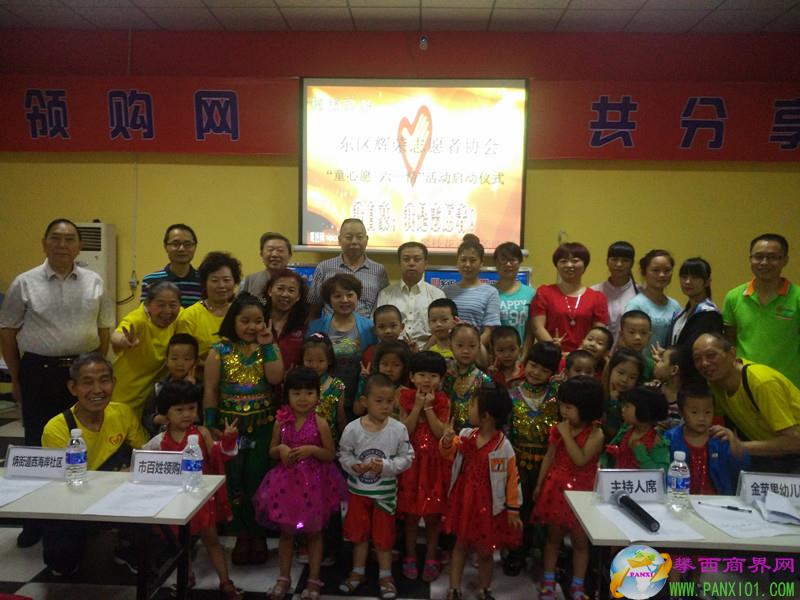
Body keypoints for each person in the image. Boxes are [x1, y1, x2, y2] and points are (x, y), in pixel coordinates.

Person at [0, 218, 114, 548]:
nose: (62, 244)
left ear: (80, 246)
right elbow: (7, 332)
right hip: (40, 372)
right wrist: (17, 376)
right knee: (37, 445)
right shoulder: (24, 283)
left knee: (81, 441)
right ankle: (35, 521)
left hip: (82, 372)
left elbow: (104, 329)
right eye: (56, 238)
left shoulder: (94, 281)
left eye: (69, 239)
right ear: (44, 243)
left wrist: (94, 374)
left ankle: (79, 515)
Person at [40, 353, 148, 576]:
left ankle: (124, 543)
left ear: (114, 383)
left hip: (118, 493)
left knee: (152, 546)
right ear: (73, 388)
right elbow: (60, 487)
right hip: (75, 499)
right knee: (61, 562)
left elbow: (146, 454)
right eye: (87, 382)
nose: (97, 390)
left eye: (104, 380)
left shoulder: (122, 413)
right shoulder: (57, 428)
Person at [203, 293, 284, 565]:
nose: (252, 327)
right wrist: (210, 424)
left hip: (263, 426)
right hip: (230, 429)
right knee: (234, 481)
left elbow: (276, 378)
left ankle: (259, 535)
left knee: (258, 480)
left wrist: (269, 345)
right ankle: (241, 535)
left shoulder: (269, 348)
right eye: (245, 321)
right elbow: (210, 389)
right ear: (233, 321)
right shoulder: (219, 350)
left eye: (258, 321)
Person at [143, 381, 241, 599]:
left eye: (191, 408)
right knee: (181, 544)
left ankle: (225, 581)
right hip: (176, 500)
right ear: (166, 413)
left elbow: (220, 455)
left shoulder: (202, 433)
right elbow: (144, 456)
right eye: (179, 410)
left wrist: (228, 439)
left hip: (202, 499)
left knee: (212, 540)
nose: (187, 414)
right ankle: (185, 577)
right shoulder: (160, 440)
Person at [254, 367, 346, 600]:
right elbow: (271, 451)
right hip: (286, 486)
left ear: (317, 395)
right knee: (287, 534)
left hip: (315, 486)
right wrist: (281, 449)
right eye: (296, 393)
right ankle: (283, 577)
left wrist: (313, 450)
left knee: (314, 533)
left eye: (309, 393)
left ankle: (313, 579)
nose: (303, 398)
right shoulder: (281, 422)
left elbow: (330, 454)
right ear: (287, 395)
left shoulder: (321, 423)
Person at [440, 383, 523, 600]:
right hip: (464, 501)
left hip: (489, 506)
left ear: (486, 416)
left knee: (486, 551)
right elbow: (448, 453)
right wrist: (447, 441)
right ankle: (454, 588)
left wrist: (513, 509)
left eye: (472, 405)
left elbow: (512, 479)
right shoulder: (466, 435)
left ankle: (484, 588)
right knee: (460, 545)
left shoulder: (503, 447)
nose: (468, 409)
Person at [338, 373, 415, 600]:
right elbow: (344, 453)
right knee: (359, 536)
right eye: (379, 401)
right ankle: (357, 572)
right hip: (358, 493)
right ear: (365, 401)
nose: (385, 406)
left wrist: (386, 466)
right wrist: (354, 466)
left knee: (384, 539)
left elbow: (407, 458)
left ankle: (385, 576)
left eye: (389, 401)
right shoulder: (353, 429)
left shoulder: (398, 429)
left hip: (385, 496)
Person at [533, 376, 604, 600]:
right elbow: (549, 456)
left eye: (569, 407)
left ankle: (577, 585)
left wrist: (565, 434)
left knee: (580, 542)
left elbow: (580, 459)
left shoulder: (596, 434)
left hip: (582, 493)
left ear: (586, 409)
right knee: (553, 539)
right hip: (556, 489)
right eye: (562, 405)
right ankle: (548, 580)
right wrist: (539, 484)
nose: (564, 411)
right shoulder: (559, 429)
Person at [692, 332, 800, 472]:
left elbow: (794, 442)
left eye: (711, 355)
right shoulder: (715, 384)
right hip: (772, 457)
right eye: (697, 359)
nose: (704, 364)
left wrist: (740, 446)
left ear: (732, 353)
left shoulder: (761, 382)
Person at [504, 342, 561, 577]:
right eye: (533, 365)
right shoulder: (511, 392)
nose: (536, 373)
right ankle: (516, 550)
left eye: (544, 370)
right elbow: (505, 430)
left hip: (549, 463)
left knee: (545, 509)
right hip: (517, 461)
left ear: (553, 373)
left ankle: (543, 553)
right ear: (525, 363)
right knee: (518, 507)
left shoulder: (558, 396)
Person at [397, 351, 450, 583]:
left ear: (441, 379)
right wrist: (417, 406)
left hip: (434, 466)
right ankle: (410, 555)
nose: (427, 380)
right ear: (411, 376)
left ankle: (430, 557)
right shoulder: (405, 397)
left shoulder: (443, 400)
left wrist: (428, 409)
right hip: (411, 464)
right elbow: (404, 431)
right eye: (421, 374)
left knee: (432, 517)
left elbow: (440, 433)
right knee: (410, 515)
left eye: (433, 376)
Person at [722, 233, 800, 388]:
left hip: (788, 386)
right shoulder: (734, 297)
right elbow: (730, 342)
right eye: (758, 257)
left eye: (772, 257)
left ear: (785, 260)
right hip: (746, 384)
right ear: (750, 259)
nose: (764, 262)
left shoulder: (797, 297)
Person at [110, 281, 182, 416]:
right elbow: (116, 335)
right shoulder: (137, 319)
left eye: (173, 305)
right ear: (148, 304)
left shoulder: (179, 318)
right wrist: (124, 340)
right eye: (160, 305)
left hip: (152, 400)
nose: (167, 311)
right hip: (125, 396)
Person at [308, 273, 377, 412]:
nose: (345, 300)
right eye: (337, 296)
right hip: (323, 400)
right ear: (329, 300)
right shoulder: (315, 326)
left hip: (359, 398)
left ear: (357, 297)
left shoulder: (369, 327)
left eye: (350, 295)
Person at [663, 383, 749, 495]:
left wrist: (734, 443)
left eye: (707, 412)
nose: (701, 418)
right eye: (694, 412)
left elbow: (740, 470)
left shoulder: (720, 438)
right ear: (681, 412)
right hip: (681, 497)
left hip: (717, 499)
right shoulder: (670, 438)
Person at [531, 242, 609, 354]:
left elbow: (599, 335)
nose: (569, 265)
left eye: (575, 261)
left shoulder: (597, 297)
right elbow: (537, 327)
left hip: (585, 358)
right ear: (557, 265)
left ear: (585, 264)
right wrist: (556, 351)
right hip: (550, 356)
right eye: (563, 261)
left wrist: (577, 354)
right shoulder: (544, 292)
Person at [308, 218, 389, 318]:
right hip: (330, 326)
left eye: (359, 237)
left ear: (367, 240)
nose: (354, 241)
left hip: (367, 327)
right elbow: (314, 306)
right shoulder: (324, 267)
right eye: (349, 237)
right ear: (339, 240)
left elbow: (383, 307)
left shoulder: (379, 270)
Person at [376, 241, 445, 350]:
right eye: (406, 259)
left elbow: (442, 330)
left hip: (428, 353)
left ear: (425, 263)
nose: (411, 263)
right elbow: (378, 328)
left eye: (417, 259)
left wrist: (424, 352)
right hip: (393, 353)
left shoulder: (437, 295)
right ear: (399, 263)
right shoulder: (385, 294)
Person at [176, 251, 242, 365]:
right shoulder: (189, 316)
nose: (221, 285)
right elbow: (183, 357)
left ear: (235, 282)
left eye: (226, 280)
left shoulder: (241, 312)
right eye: (214, 280)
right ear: (204, 283)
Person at [444, 234, 501, 348]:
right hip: (448, 351)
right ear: (457, 262)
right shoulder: (446, 291)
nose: (467, 265)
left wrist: (471, 350)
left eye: (473, 260)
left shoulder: (490, 292)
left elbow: (489, 331)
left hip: (476, 352)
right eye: (463, 260)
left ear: (481, 263)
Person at [141, 332, 199, 436]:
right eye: (174, 358)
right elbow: (146, 417)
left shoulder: (201, 388)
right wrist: (157, 419)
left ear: (195, 362)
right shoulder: (159, 387)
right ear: (166, 360)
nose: (180, 364)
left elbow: (202, 419)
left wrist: (190, 388)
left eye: (186, 359)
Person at [601, 386, 670, 472]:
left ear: (643, 410)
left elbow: (661, 473)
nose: (622, 409)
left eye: (627, 406)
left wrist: (642, 455)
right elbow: (609, 450)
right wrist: (606, 458)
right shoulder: (626, 430)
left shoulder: (656, 440)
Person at [625, 249, 681, 348]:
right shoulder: (636, 305)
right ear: (644, 272)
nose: (662, 275)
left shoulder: (675, 305)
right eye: (656, 270)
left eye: (667, 270)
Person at [443, 323, 493, 432]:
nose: (466, 351)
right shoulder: (445, 375)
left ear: (479, 346)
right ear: (451, 346)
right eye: (460, 345)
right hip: (447, 434)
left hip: (475, 436)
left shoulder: (484, 380)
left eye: (472, 346)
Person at [666, 257, 723, 349]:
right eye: (684, 277)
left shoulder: (709, 314)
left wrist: (670, 354)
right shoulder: (681, 314)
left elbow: (694, 348)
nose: (687, 282)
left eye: (695, 277)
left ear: (707, 282)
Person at [140, 223, 202, 308]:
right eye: (175, 244)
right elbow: (145, 314)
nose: (181, 249)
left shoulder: (204, 281)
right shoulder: (150, 281)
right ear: (165, 246)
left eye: (187, 244)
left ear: (195, 247)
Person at [301, 333, 347, 443]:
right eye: (309, 361)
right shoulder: (296, 383)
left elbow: (340, 419)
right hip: (299, 441)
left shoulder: (337, 386)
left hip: (328, 442)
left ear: (329, 360)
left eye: (320, 361)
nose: (315, 365)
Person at [591, 241, 638, 342]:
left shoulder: (640, 293)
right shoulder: (594, 292)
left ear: (632, 263)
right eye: (614, 259)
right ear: (607, 262)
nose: (619, 264)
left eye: (625, 260)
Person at [263, 268, 308, 372]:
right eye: (280, 288)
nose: (285, 294)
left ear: (298, 296)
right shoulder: (259, 321)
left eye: (291, 290)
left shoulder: (304, 325)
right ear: (270, 291)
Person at [493, 241, 536, 346]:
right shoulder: (489, 292)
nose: (508, 264)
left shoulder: (530, 293)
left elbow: (531, 331)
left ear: (519, 263)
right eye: (503, 260)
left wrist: (524, 354)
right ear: (496, 263)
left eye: (513, 260)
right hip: (495, 353)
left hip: (521, 352)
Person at [602, 348, 645, 440]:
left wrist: (614, 402)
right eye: (621, 373)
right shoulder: (598, 392)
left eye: (632, 377)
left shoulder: (635, 403)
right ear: (610, 369)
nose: (624, 380)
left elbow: (614, 434)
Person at [240, 232, 293, 303]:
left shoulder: (298, 282)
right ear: (261, 254)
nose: (274, 254)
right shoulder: (249, 281)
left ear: (290, 255)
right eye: (270, 250)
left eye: (280, 250)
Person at [617, 310, 654, 380]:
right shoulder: (614, 361)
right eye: (632, 332)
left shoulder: (650, 365)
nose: (638, 337)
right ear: (622, 335)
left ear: (649, 337)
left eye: (643, 333)